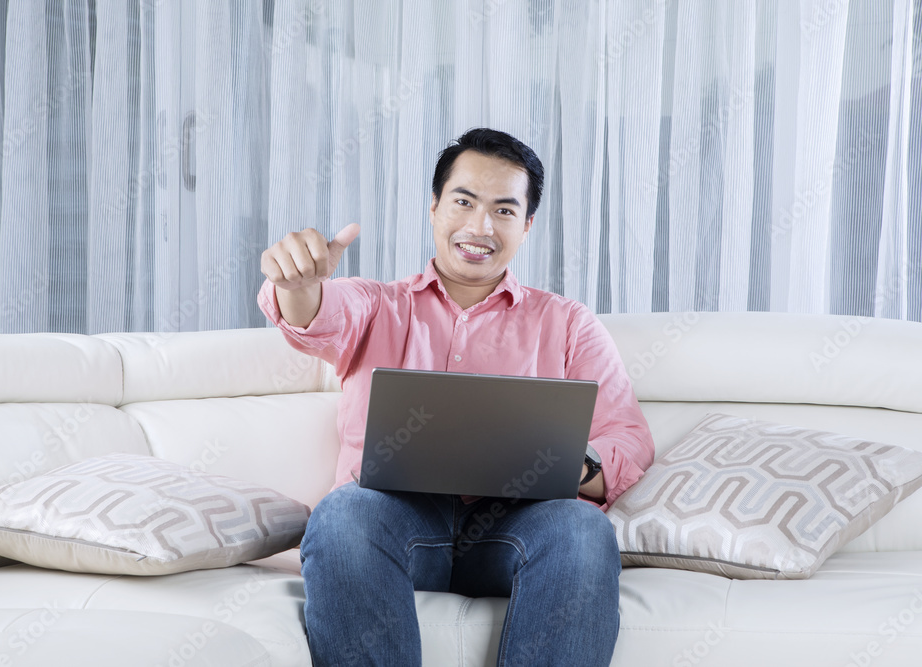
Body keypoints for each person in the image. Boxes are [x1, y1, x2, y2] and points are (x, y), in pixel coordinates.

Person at [258, 128, 654, 666]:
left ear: (527, 225)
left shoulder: (568, 323)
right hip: (393, 520)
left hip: (518, 525)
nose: (480, 227)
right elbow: (314, 314)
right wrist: (298, 284)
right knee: (343, 515)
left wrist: (569, 463)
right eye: (464, 202)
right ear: (434, 207)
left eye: (504, 210)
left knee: (583, 529)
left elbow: (627, 439)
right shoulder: (377, 305)